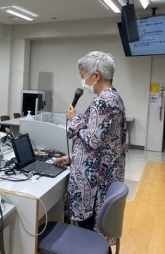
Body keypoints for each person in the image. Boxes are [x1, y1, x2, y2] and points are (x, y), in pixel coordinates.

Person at [54, 51, 126, 240]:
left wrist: (74, 118)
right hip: (99, 173)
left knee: (88, 235)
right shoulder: (114, 98)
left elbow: (92, 139)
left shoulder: (103, 102)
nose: (83, 81)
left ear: (96, 75)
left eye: (83, 76)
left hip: (94, 184)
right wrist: (73, 157)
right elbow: (100, 144)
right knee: (93, 235)